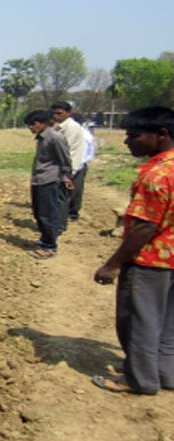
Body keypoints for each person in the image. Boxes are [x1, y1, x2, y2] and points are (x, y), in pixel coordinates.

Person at [93, 107, 174, 395]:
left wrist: (112, 264)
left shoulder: (155, 176)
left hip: (151, 261)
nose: (127, 142)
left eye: (134, 136)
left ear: (161, 135)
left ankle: (139, 380)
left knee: (139, 323)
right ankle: (165, 373)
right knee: (167, 322)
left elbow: (143, 228)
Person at [23, 110, 73, 259]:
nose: (31, 128)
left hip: (49, 180)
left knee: (47, 214)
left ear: (42, 123)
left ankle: (50, 247)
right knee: (39, 212)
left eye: (33, 124)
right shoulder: (41, 138)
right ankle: (45, 240)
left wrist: (66, 177)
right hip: (39, 179)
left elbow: (65, 160)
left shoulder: (54, 137)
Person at [51, 102, 87, 226]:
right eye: (54, 113)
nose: (56, 116)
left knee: (67, 195)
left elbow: (67, 150)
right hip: (64, 165)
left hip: (71, 165)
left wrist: (67, 171)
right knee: (62, 194)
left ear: (68, 113)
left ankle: (64, 220)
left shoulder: (71, 127)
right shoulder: (59, 127)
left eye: (59, 113)